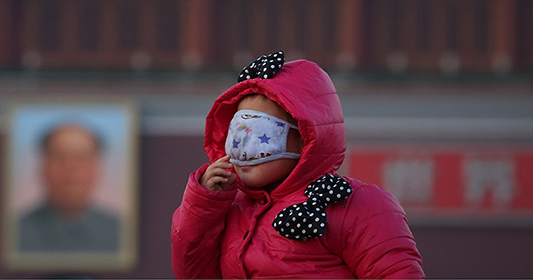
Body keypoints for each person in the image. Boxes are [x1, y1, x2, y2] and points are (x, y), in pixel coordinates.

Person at [171, 52, 424, 279]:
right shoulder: (230, 208)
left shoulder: (355, 206)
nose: (243, 146)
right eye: (237, 131)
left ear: (305, 136)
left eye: (260, 131)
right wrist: (204, 205)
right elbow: (193, 273)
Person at [18, 123, 120, 252]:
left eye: (82, 158)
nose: (71, 169)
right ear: (43, 168)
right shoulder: (15, 231)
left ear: (97, 169)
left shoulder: (120, 231)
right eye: (60, 158)